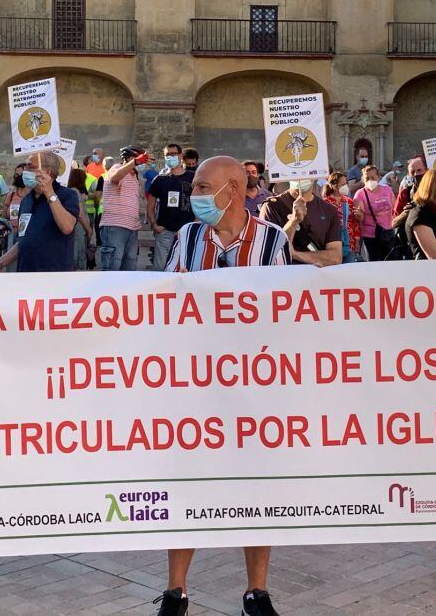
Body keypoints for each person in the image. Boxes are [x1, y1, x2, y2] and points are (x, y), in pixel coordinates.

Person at [156, 156, 288, 616]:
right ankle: (176, 591)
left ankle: (257, 591)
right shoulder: (188, 236)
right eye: (193, 187)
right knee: (187, 484)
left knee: (257, 488)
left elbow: (285, 310)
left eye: (202, 187)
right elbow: (164, 299)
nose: (193, 196)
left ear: (233, 189)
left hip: (254, 390)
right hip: (195, 387)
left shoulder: (273, 240)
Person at [0, 150, 81, 273]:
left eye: (30, 167)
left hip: (55, 276)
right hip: (26, 275)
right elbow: (25, 240)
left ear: (47, 171)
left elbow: (67, 227)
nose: (25, 171)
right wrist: (1, 262)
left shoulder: (67, 195)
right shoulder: (27, 200)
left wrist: (50, 194)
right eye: (25, 166)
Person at [261, 178, 342, 266]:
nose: (302, 177)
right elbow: (270, 252)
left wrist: (295, 254)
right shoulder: (271, 206)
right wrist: (293, 221)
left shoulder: (329, 210)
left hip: (318, 277)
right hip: (284, 276)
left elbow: (335, 257)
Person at [147, 144, 195, 270]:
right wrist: (154, 225)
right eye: (168, 155)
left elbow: (198, 203)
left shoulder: (193, 178)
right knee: (160, 269)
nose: (170, 157)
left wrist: (195, 224)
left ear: (180, 156)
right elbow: (150, 205)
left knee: (186, 267)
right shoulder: (160, 180)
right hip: (165, 232)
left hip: (186, 231)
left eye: (173, 154)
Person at [99, 146, 147, 271]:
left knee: (129, 267)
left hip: (131, 227)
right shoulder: (116, 168)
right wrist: (134, 163)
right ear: (129, 158)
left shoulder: (134, 176)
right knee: (113, 266)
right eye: (138, 160)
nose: (141, 163)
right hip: (115, 226)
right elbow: (115, 178)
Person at [353, 164, 395, 261]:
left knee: (392, 262)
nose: (370, 180)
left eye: (373, 177)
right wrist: (358, 215)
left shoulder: (387, 189)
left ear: (378, 177)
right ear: (363, 179)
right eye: (367, 178)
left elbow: (394, 208)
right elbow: (360, 218)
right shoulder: (360, 194)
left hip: (389, 233)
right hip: (371, 236)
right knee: (376, 263)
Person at [321, 171, 363, 263]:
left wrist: (357, 239)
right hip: (331, 243)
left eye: (346, 183)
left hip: (349, 243)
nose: (346, 186)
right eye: (343, 184)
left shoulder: (349, 201)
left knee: (349, 270)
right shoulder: (324, 203)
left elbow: (354, 222)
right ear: (334, 185)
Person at [66, 167, 93, 271]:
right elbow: (80, 214)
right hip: (79, 228)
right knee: (79, 252)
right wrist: (88, 229)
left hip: (77, 227)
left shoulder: (69, 191)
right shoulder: (75, 191)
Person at [1, 167, 29, 244]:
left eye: (21, 174)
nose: (18, 176)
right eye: (16, 174)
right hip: (11, 236)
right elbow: (4, 216)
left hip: (26, 238)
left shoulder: (33, 197)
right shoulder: (11, 196)